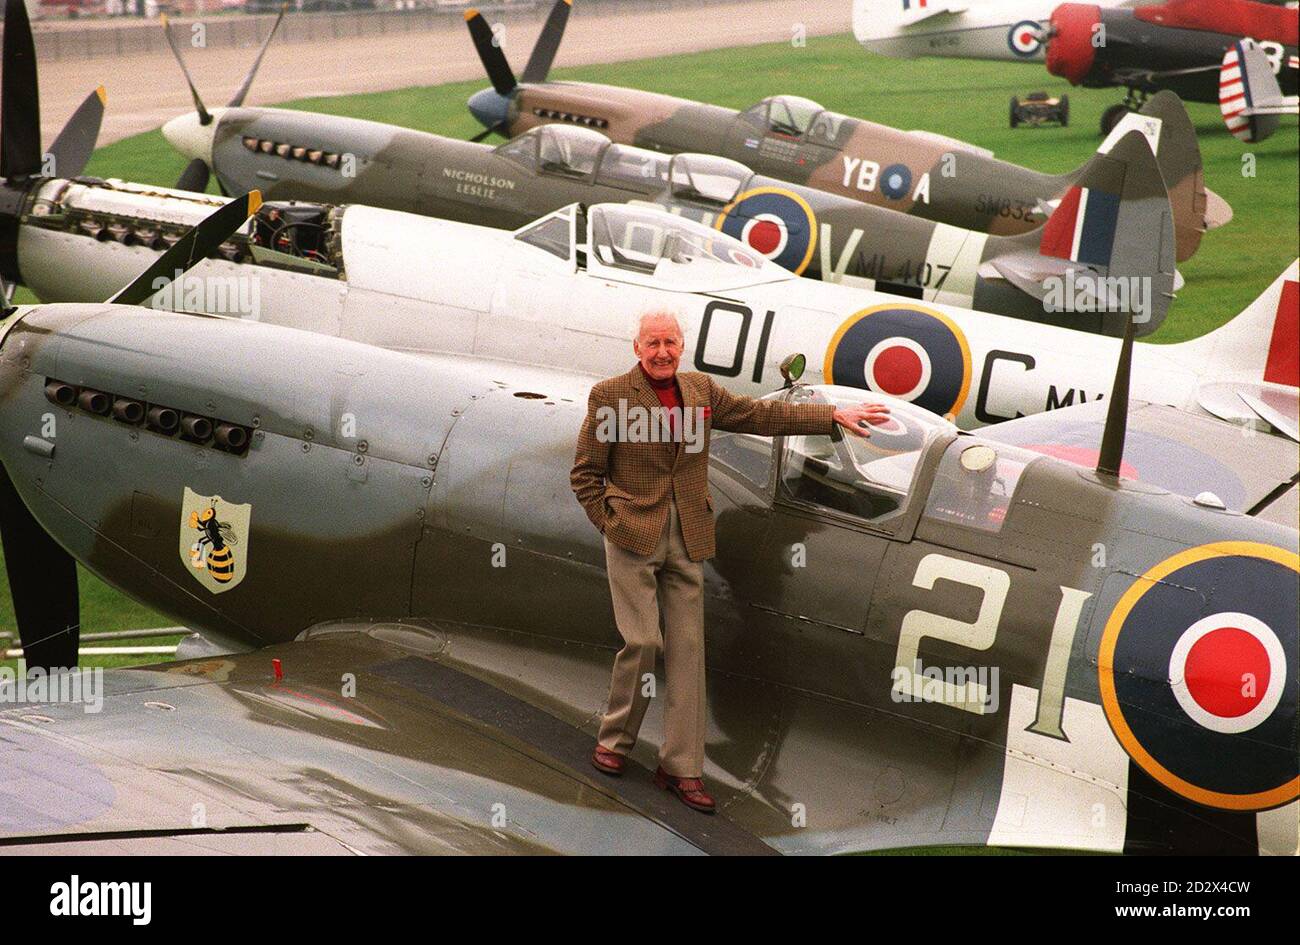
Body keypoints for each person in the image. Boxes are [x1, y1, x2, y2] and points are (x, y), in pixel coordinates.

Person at [570, 311, 890, 813]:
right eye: (652, 343)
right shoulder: (610, 396)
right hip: (633, 534)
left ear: (682, 346)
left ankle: (681, 769)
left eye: (670, 343)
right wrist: (612, 522)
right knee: (643, 641)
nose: (661, 352)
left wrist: (828, 416)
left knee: (690, 650)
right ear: (636, 348)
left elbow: (757, 415)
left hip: (688, 536)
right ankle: (614, 743)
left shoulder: (701, 391)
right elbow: (585, 473)